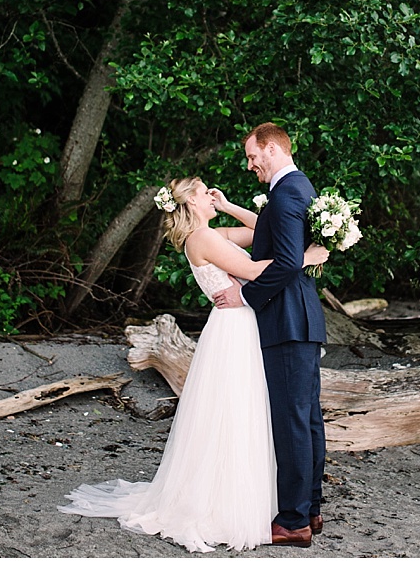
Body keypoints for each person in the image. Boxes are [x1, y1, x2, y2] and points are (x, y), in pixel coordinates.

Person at [58, 176, 328, 553]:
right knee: (234, 413)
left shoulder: (213, 233)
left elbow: (261, 229)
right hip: (234, 330)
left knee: (247, 411)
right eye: (204, 193)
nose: (209, 195)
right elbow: (253, 272)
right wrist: (305, 258)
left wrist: (230, 205)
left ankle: (267, 500)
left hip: (243, 324)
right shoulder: (201, 239)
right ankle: (229, 502)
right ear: (189, 204)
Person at [211, 122, 327, 548]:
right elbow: (283, 244)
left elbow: (283, 262)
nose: (250, 164)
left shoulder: (287, 192)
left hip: (288, 321)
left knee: (293, 421)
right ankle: (310, 508)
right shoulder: (299, 187)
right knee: (308, 419)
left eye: (252, 155)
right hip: (302, 319)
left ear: (272, 148)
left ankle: (294, 520)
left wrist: (245, 295)